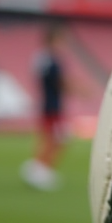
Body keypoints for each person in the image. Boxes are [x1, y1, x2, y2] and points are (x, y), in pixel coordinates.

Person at [21, 22, 71, 190]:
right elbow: (59, 82)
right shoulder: (50, 60)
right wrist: (79, 89)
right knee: (57, 139)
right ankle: (39, 169)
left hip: (48, 105)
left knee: (53, 138)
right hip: (52, 107)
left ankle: (39, 168)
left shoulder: (41, 59)